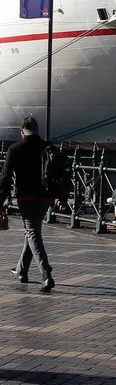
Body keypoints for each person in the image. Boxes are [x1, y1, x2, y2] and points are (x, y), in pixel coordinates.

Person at [0, 116, 55, 293]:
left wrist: (0, 200)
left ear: (21, 131)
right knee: (32, 233)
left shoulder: (15, 148)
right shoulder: (48, 147)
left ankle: (46, 274)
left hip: (26, 198)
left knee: (32, 233)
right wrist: (60, 197)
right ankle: (21, 270)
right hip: (45, 197)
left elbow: (5, 177)